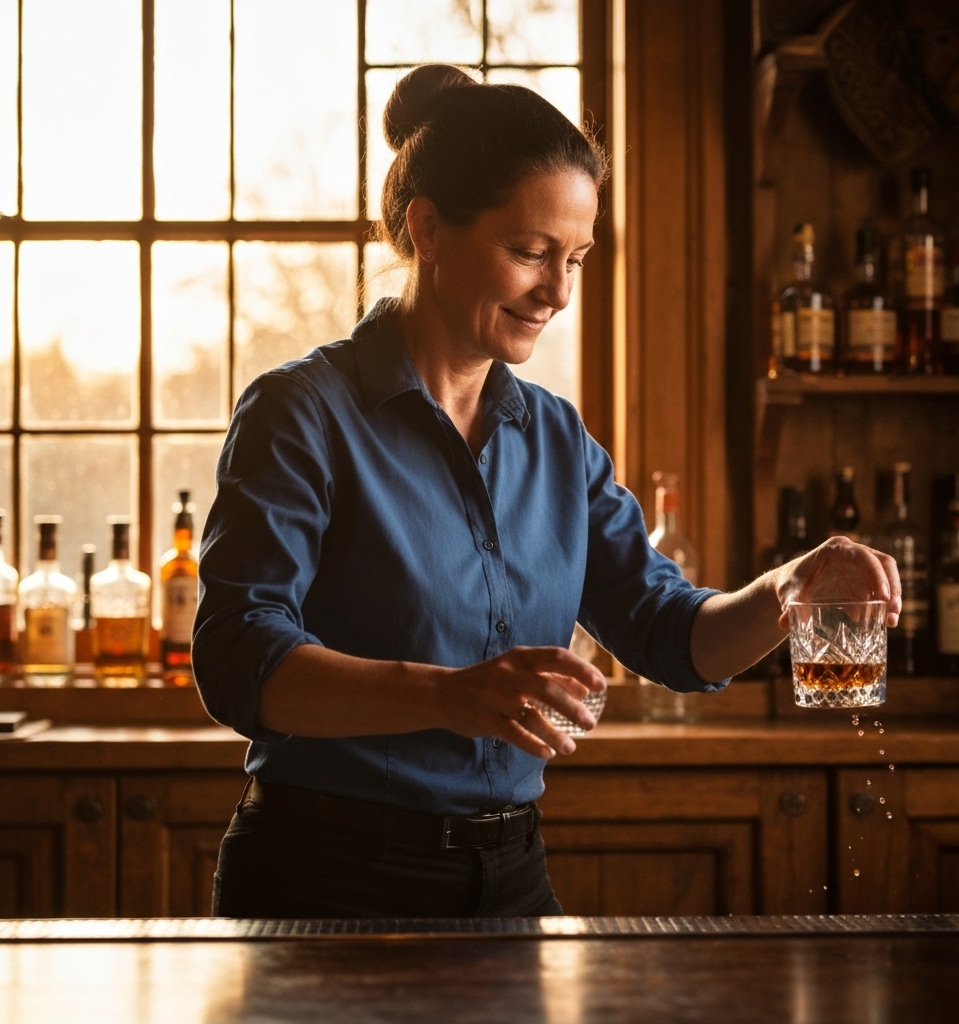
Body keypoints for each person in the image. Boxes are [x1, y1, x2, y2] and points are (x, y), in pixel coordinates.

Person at [194, 64, 901, 920]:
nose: (558, 292)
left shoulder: (559, 440)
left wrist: (785, 591)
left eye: (575, 259)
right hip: (326, 875)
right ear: (429, 230)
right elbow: (238, 658)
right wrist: (447, 694)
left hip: (510, 875)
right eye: (529, 253)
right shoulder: (301, 412)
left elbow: (670, 634)